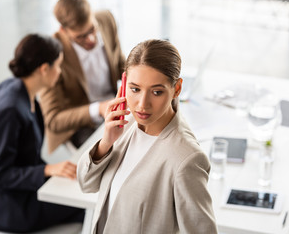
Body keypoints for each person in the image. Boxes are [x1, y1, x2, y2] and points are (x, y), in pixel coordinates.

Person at [77, 39, 218, 234]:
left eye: (157, 92)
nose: (142, 104)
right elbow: (86, 184)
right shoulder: (124, 124)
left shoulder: (186, 159)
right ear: (124, 83)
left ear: (176, 89)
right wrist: (106, 142)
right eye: (135, 89)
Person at [0, 34, 84, 233]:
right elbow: (0, 175)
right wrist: (47, 170)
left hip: (22, 188)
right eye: (58, 66)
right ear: (44, 69)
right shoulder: (10, 111)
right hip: (10, 207)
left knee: (81, 192)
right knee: (87, 206)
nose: (60, 72)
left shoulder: (10, 86)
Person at [39, 0, 125, 152]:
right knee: (110, 156)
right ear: (63, 30)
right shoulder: (49, 53)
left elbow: (120, 63)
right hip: (82, 123)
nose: (91, 39)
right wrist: (99, 109)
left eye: (92, 29)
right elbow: (53, 119)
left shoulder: (106, 19)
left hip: (114, 104)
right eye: (81, 37)